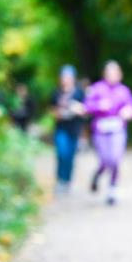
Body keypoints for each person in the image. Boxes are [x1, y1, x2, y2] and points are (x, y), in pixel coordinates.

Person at [84, 61, 132, 205]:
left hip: (118, 129)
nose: (112, 76)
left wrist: (129, 112)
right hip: (101, 130)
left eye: (115, 73)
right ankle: (97, 175)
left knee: (115, 159)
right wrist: (98, 106)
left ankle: (112, 189)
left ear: (120, 74)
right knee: (104, 160)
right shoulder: (97, 88)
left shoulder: (124, 91)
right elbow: (86, 106)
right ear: (105, 74)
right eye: (109, 73)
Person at [50, 65, 86, 194]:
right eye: (64, 77)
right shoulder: (56, 92)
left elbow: (86, 111)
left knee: (70, 156)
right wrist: (59, 113)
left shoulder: (79, 93)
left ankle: (68, 181)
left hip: (74, 129)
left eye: (68, 77)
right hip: (61, 128)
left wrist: (78, 109)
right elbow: (52, 110)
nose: (66, 79)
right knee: (61, 153)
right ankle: (60, 180)